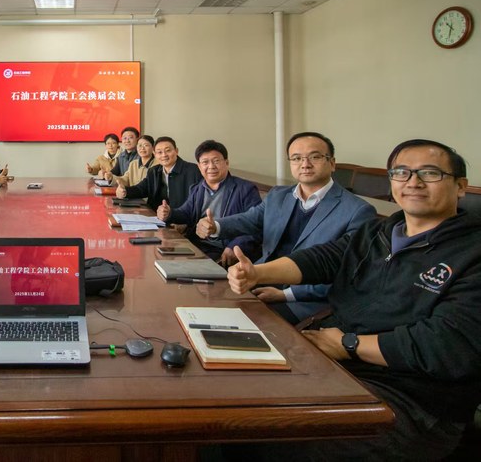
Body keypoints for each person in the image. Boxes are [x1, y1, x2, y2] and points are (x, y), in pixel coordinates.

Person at [225, 139, 481, 461]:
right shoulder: (379, 231)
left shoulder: (471, 252)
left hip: (412, 399)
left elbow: (446, 345)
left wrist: (349, 344)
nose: (413, 182)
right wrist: (258, 273)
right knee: (234, 395)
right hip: (337, 364)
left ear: (460, 186)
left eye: (429, 173)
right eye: (401, 172)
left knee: (266, 430)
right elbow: (324, 258)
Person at [212, 132, 376, 323]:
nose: (305, 164)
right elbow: (249, 219)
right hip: (260, 278)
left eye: (314, 157)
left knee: (241, 324)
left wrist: (286, 294)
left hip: (304, 300)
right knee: (210, 304)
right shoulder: (278, 195)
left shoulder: (358, 211)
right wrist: (215, 226)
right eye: (297, 158)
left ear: (332, 163)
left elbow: (348, 274)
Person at [157, 140, 262, 263]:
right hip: (196, 245)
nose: (211, 166)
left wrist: (235, 246)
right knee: (160, 258)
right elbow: (186, 213)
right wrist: (169, 213)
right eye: (205, 162)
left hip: (222, 250)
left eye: (216, 161)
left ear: (226, 163)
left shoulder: (245, 189)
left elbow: (256, 226)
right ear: (199, 166)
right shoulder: (198, 188)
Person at [116, 136, 201, 210]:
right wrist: (125, 191)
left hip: (182, 219)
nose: (164, 155)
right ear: (155, 154)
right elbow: (141, 189)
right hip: (156, 217)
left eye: (168, 150)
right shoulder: (154, 171)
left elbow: (199, 201)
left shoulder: (193, 170)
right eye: (159, 152)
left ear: (176, 151)